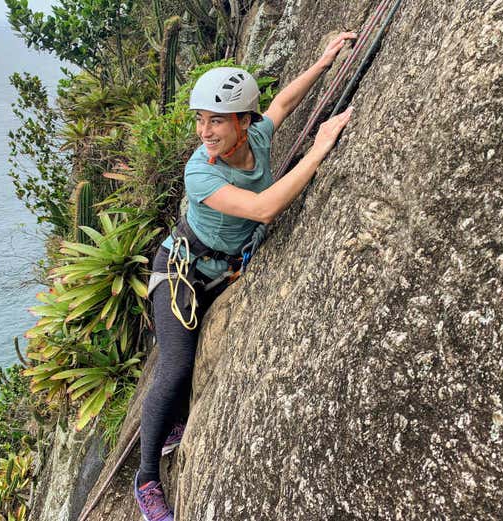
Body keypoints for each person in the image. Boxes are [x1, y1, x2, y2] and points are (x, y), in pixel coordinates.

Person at [133, 31, 357, 521]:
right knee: (175, 367)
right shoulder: (202, 173)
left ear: (242, 121)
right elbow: (263, 208)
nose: (205, 132)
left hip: (223, 271)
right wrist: (319, 149)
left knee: (186, 370)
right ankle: (147, 476)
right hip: (180, 272)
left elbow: (281, 103)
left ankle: (168, 422)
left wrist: (322, 60)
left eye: (216, 120)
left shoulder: (258, 135)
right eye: (200, 120)